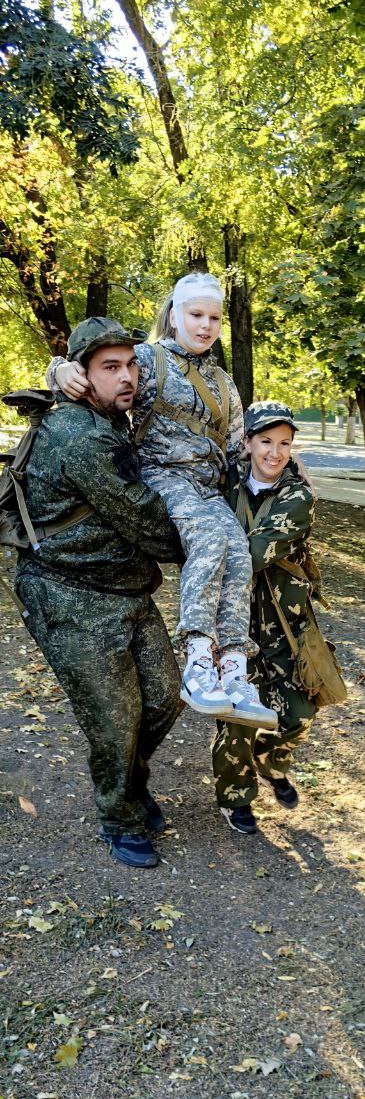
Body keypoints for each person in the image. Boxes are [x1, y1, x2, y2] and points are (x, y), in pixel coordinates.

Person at [48, 276, 277, 731]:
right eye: (196, 315)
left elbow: (236, 450)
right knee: (210, 538)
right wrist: (58, 371)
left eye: (214, 318)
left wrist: (279, 464)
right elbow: (96, 369)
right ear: (174, 315)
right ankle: (198, 660)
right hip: (160, 474)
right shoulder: (149, 360)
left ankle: (234, 669)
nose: (206, 325)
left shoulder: (223, 382)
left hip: (206, 488)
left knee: (239, 552)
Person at [15, 317, 185, 869]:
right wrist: (207, 541)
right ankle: (119, 818)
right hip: (70, 596)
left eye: (131, 364)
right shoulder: (79, 434)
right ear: (83, 376)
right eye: (111, 367)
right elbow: (150, 523)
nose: (127, 376)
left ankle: (130, 783)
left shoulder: (110, 419)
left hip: (125, 589)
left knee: (165, 697)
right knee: (115, 721)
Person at [213, 401, 319, 835]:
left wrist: (215, 545)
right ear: (248, 442)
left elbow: (253, 555)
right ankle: (235, 797)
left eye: (284, 444)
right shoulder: (224, 481)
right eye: (266, 441)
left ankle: (270, 761)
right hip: (232, 622)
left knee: (300, 712)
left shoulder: (298, 496)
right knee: (237, 717)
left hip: (284, 623)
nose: (275, 453)